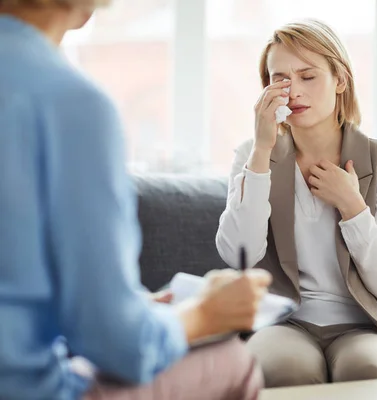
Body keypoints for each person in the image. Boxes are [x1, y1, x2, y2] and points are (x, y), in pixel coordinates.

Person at [0, 1, 272, 399]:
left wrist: (132, 305)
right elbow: (118, 345)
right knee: (233, 361)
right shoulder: (71, 103)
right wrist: (204, 313)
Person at [216, 19, 377, 388]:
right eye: (280, 78)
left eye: (308, 76)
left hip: (366, 325)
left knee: (367, 369)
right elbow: (238, 254)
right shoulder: (253, 154)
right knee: (285, 368)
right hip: (284, 322)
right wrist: (262, 150)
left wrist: (353, 207)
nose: (292, 91)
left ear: (340, 80)